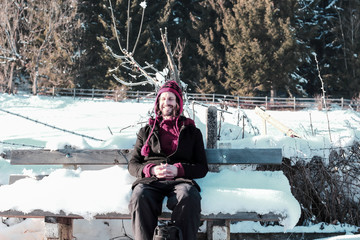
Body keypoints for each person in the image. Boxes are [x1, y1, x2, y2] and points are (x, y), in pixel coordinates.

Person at [128, 80, 209, 240]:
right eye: (163, 99)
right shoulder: (146, 131)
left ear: (178, 103)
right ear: (158, 102)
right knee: (139, 196)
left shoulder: (192, 132)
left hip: (180, 181)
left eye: (171, 98)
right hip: (151, 182)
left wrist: (179, 169)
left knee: (188, 195)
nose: (167, 102)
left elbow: (201, 167)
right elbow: (133, 164)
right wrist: (150, 169)